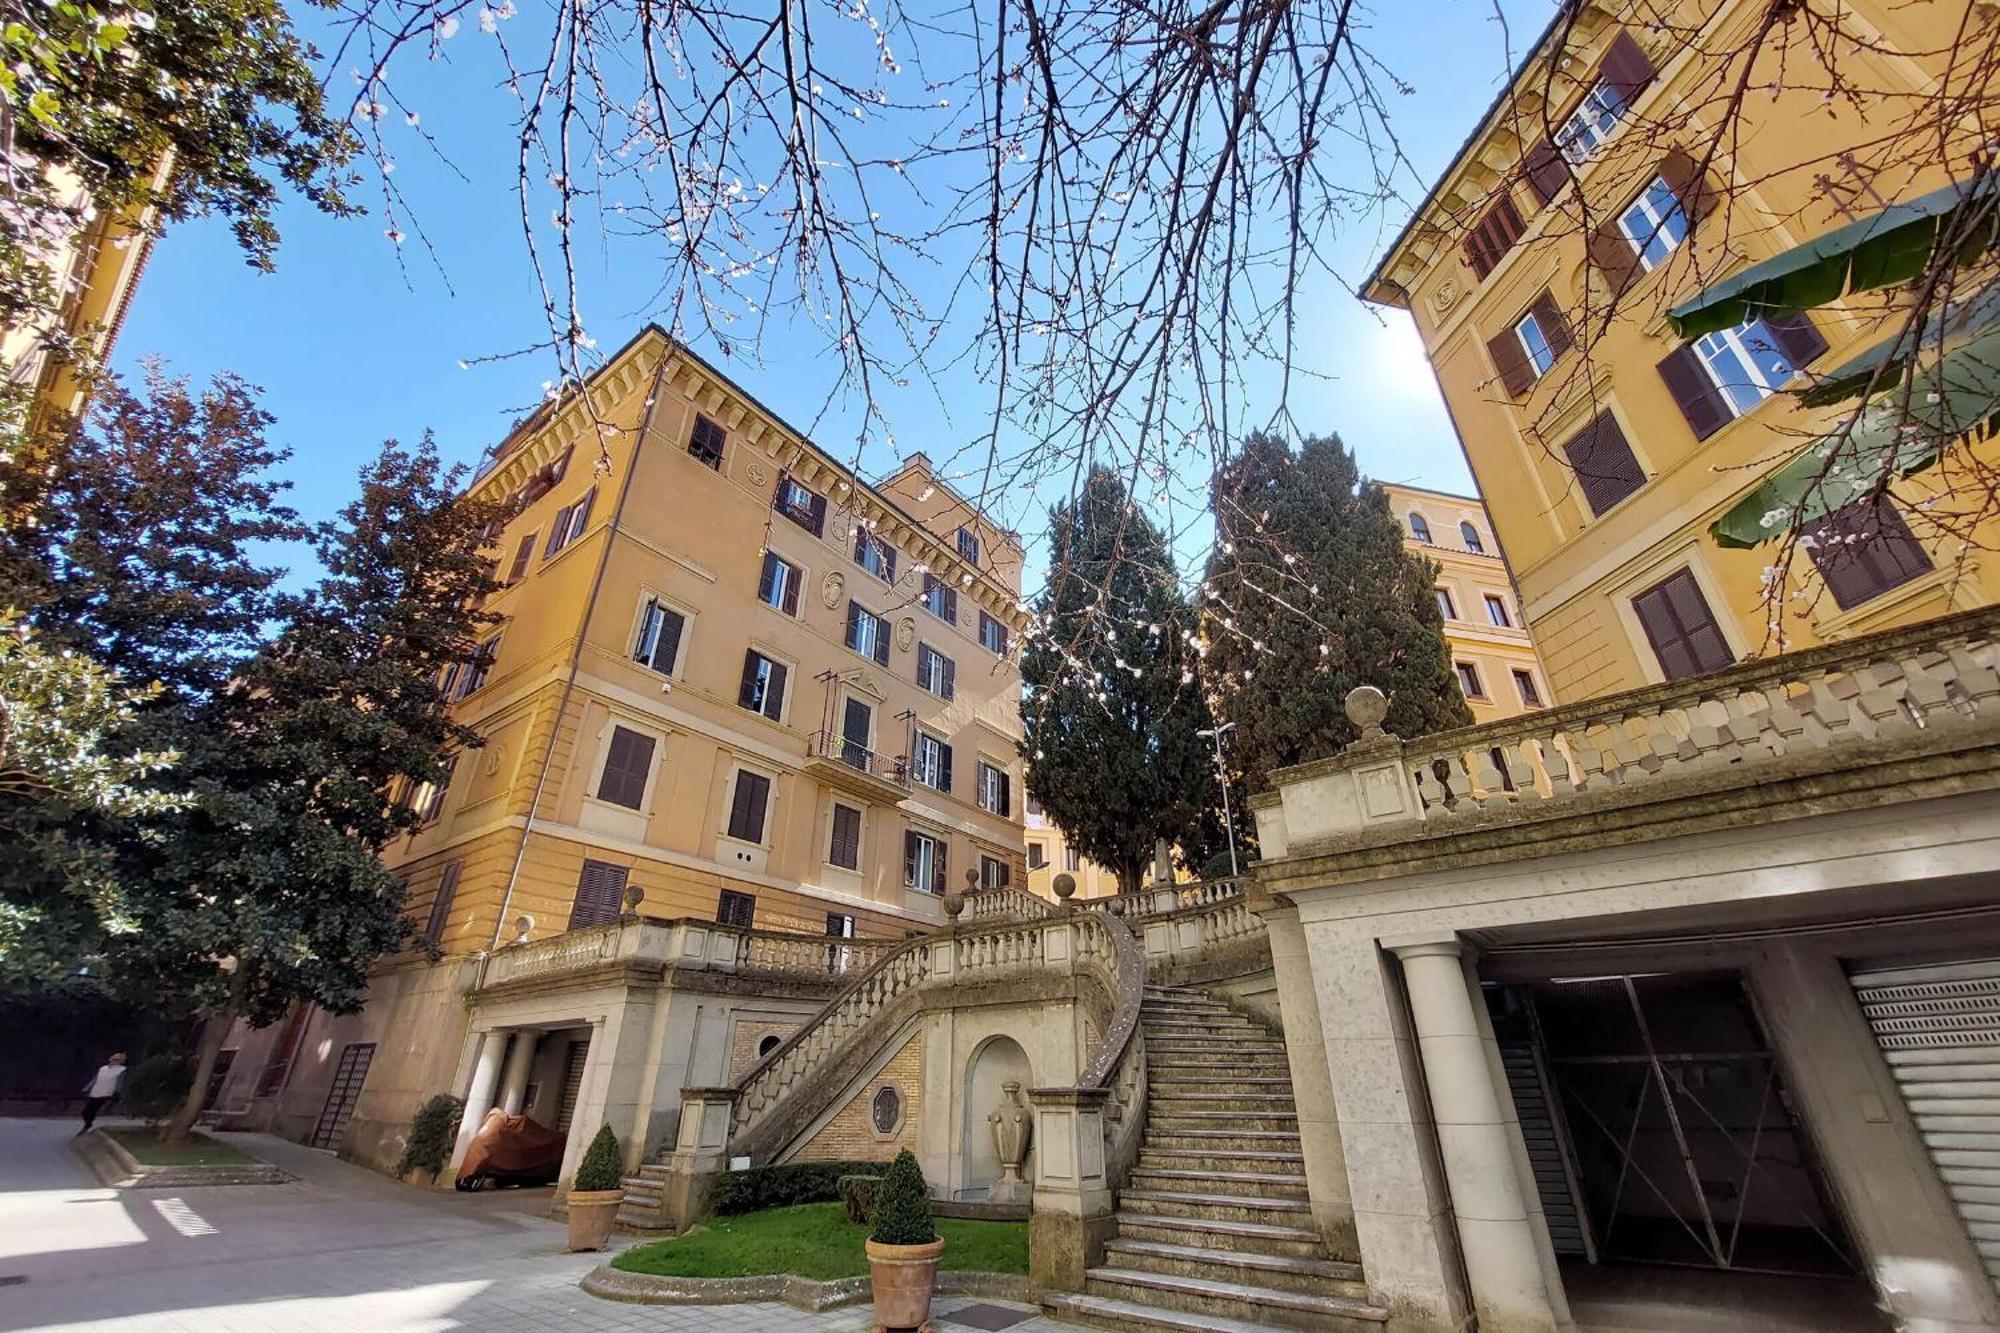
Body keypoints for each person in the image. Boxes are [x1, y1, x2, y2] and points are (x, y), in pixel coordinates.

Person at [79, 1052, 126, 1135]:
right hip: (95, 1091)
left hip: (106, 1093)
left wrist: (117, 1093)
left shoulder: (122, 1070)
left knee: (93, 1111)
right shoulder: (103, 1068)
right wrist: (87, 1087)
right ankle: (88, 1124)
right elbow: (96, 1078)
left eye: (117, 1059)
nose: (114, 1060)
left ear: (121, 1061)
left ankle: (87, 1126)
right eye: (113, 1058)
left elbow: (120, 1082)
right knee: (85, 1112)